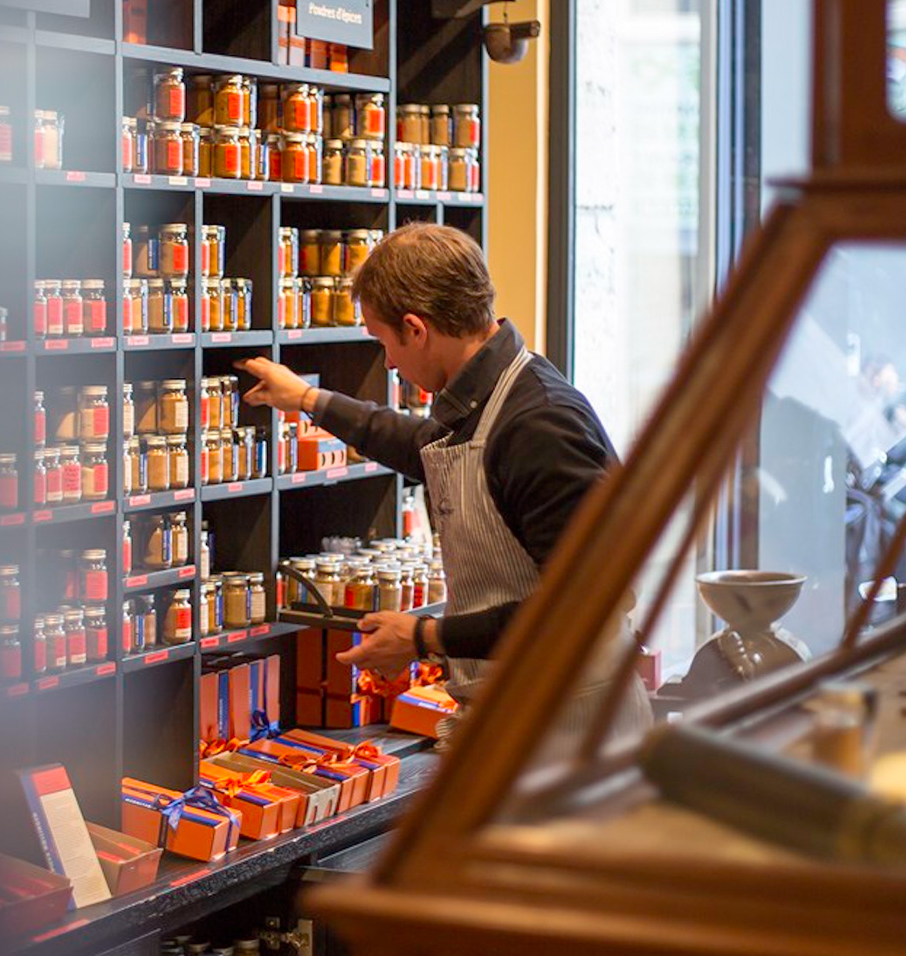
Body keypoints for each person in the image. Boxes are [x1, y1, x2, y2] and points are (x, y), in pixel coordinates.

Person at [237, 223, 652, 742]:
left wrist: (424, 636)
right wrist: (307, 399)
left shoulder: (539, 423)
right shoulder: (492, 397)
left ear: (416, 328)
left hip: (569, 732)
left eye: (384, 341)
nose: (387, 361)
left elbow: (583, 608)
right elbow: (425, 448)